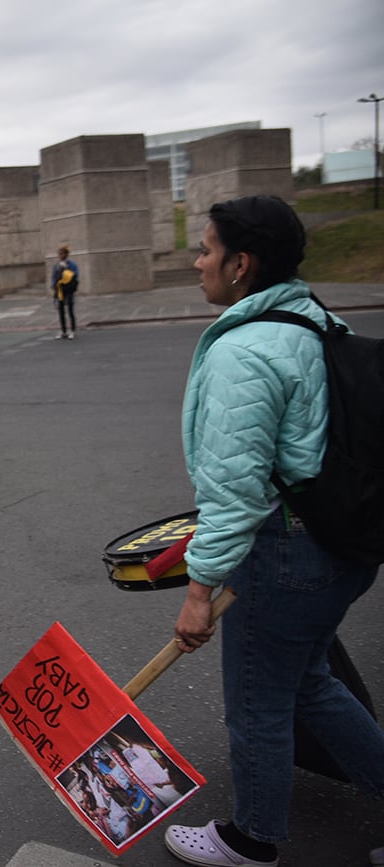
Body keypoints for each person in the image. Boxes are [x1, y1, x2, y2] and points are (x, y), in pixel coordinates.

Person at [162, 195, 384, 867]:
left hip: (284, 554)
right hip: (342, 545)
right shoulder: (318, 321)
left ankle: (251, 838)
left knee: (258, 704)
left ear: (241, 263)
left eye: (205, 249)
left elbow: (235, 490)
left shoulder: (247, 351)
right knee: (310, 681)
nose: (197, 260)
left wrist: (199, 590)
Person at [51, 245, 80, 340]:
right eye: (59, 254)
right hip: (60, 290)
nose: (60, 255)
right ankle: (63, 331)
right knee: (61, 311)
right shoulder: (57, 265)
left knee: (70, 310)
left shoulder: (71, 264)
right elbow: (54, 276)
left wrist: (66, 270)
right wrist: (53, 285)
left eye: (62, 253)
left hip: (68, 289)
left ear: (66, 254)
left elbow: (75, 275)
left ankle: (72, 330)